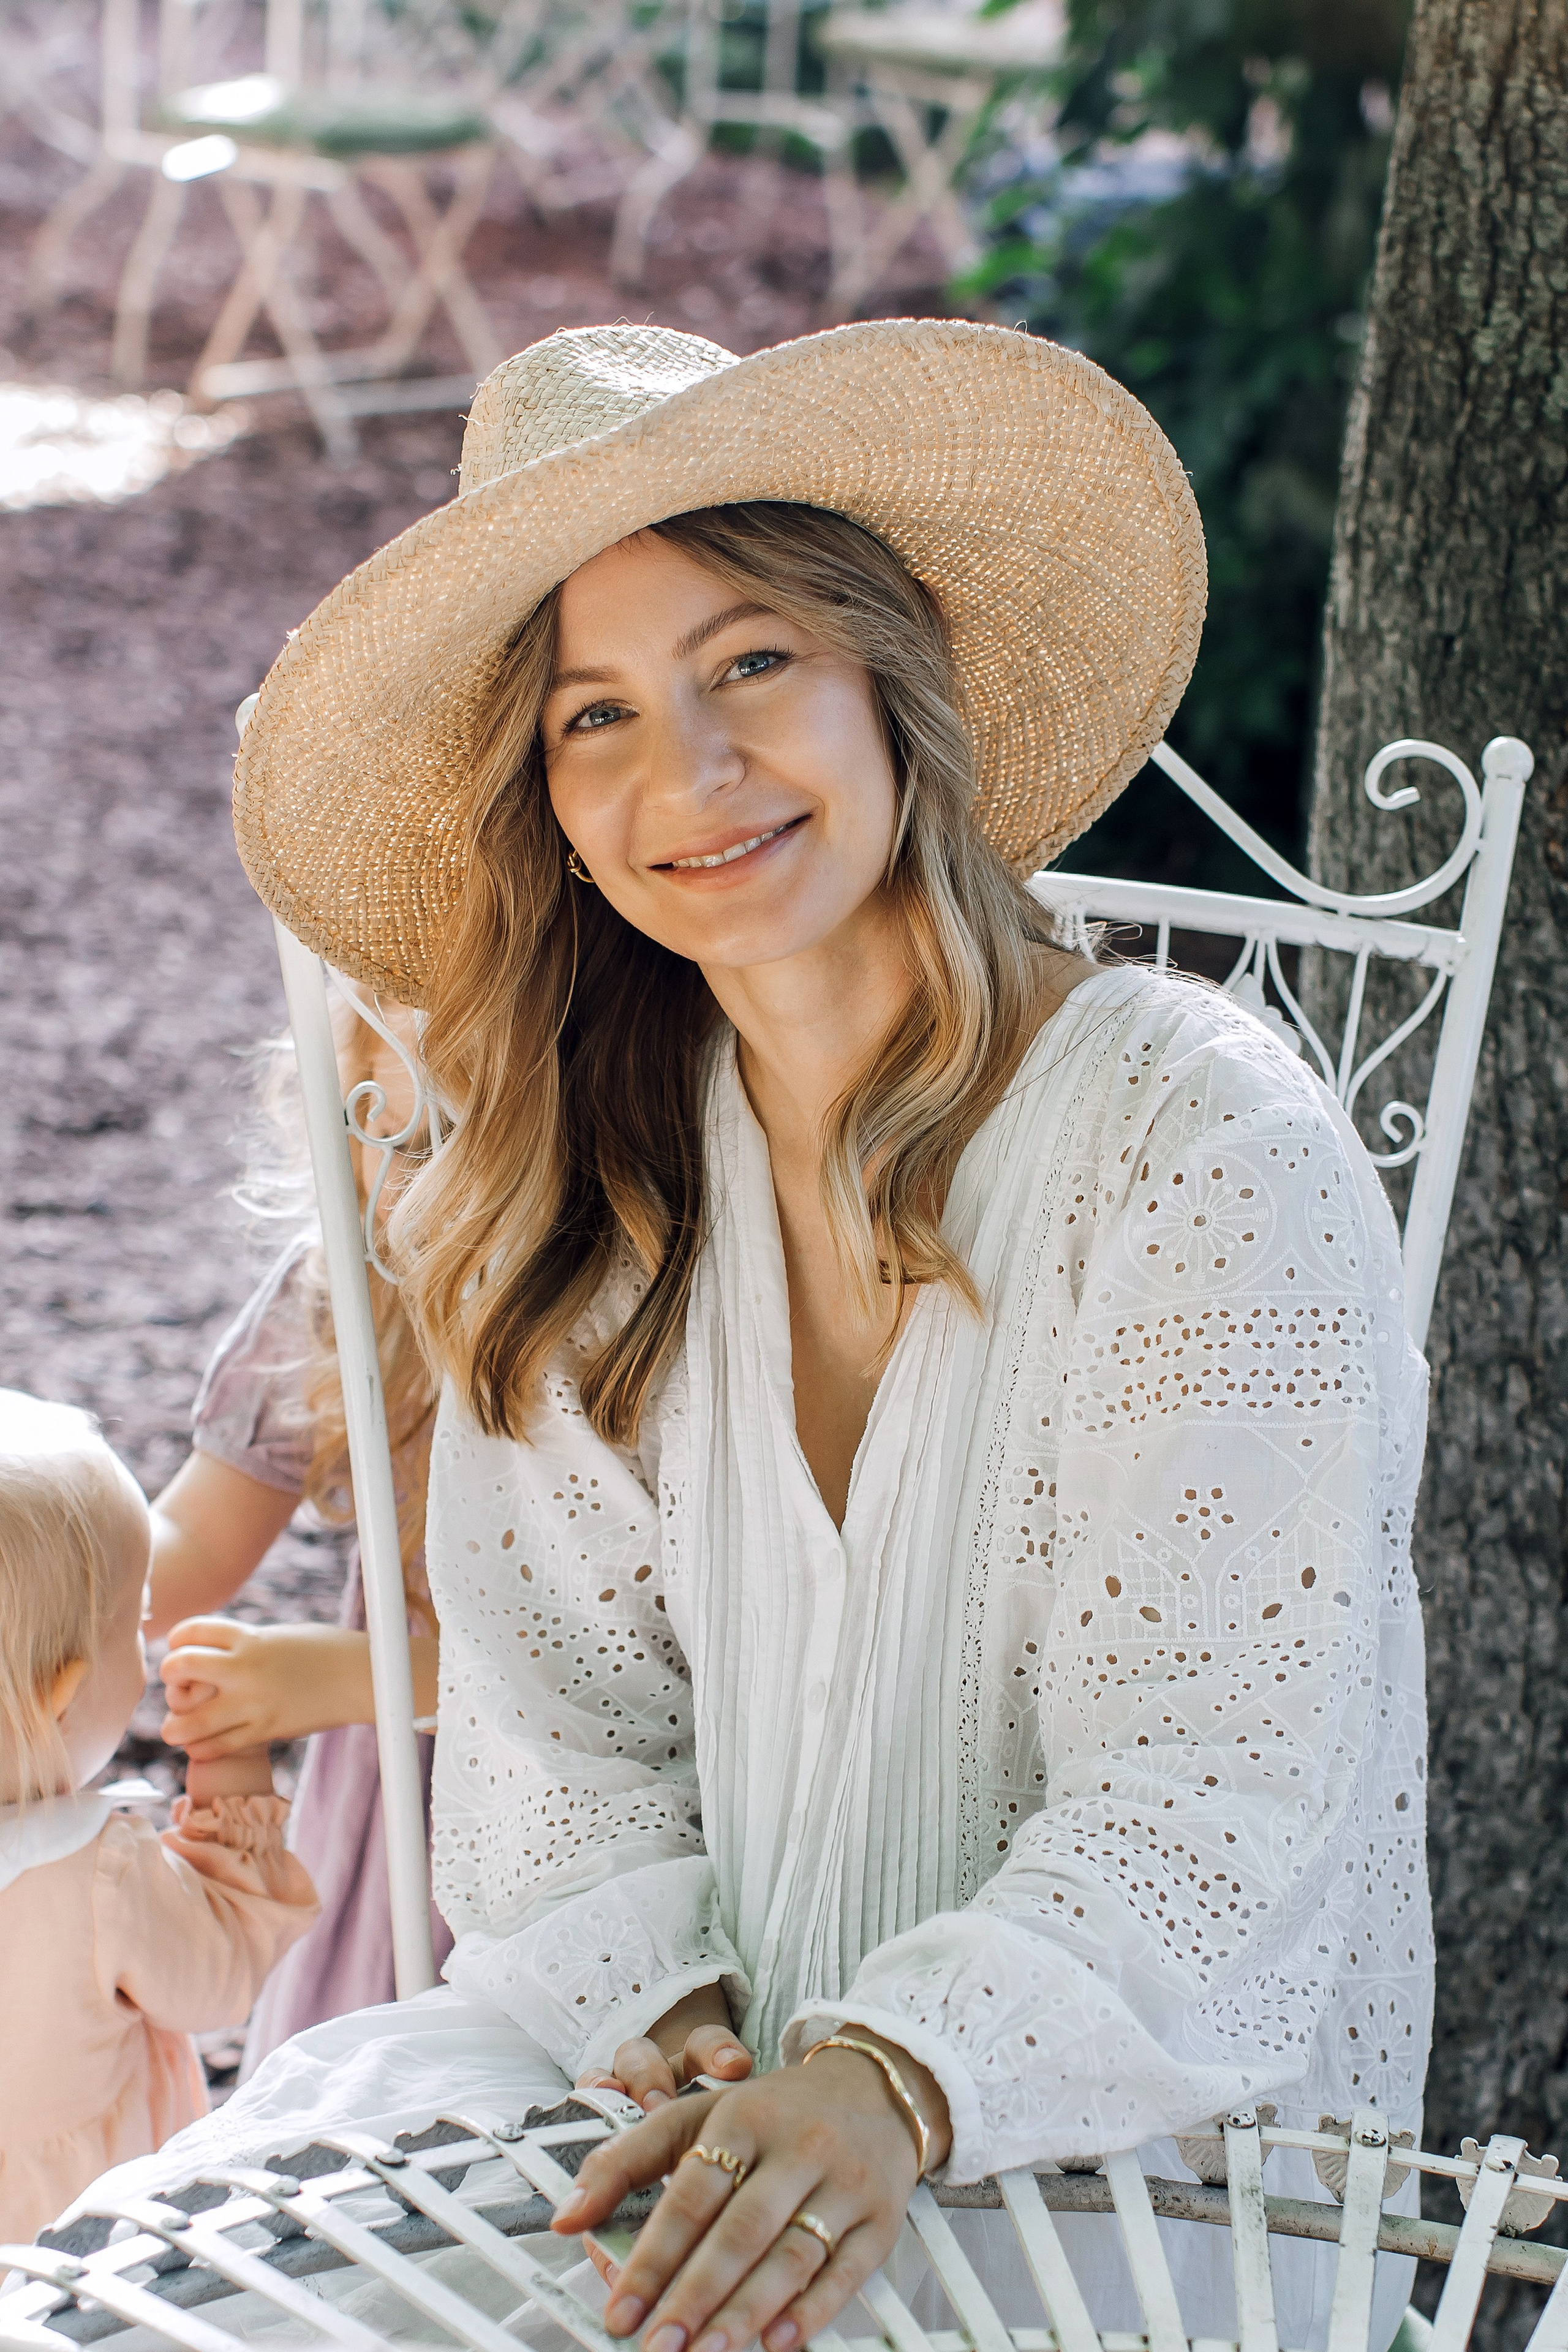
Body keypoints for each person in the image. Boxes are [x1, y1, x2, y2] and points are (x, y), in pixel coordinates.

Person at [71, 318, 1431, 2352]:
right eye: (593, 716)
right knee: (158, 2312)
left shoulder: (1202, 1143)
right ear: (548, 803)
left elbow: (1221, 1787)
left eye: (752, 664)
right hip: (656, 2077)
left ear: (897, 676)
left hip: (1125, 2144)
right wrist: (681, 2031)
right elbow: (561, 1728)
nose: (685, 775)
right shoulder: (598, 1184)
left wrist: (887, 2081)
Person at [148, 997, 450, 2070]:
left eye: (484, 1139)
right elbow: (184, 1558)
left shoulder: (638, 1322)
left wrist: (347, 1680)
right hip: (394, 1812)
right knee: (370, 2078)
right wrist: (48, 1546)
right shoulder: (347, 1293)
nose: (439, 1192)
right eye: (402, 1140)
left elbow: (643, 1675)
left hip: (583, 1795)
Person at [0, 1392, 317, 2244]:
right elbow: (215, 1975)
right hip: (69, 2248)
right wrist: (231, 1767)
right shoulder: (93, 1870)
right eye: (136, 1626)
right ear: (62, 1691)